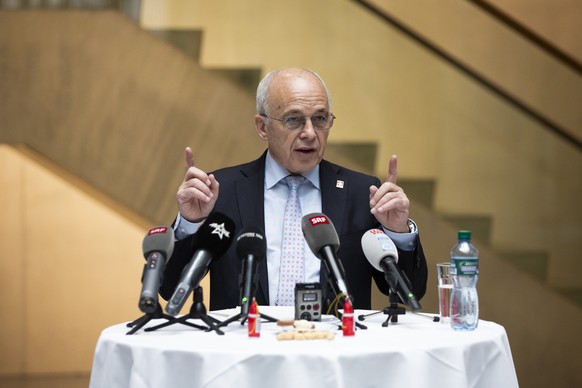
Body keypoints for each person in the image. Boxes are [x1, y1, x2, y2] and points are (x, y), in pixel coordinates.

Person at [160, 68, 428, 311]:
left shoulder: (362, 192)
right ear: (262, 127)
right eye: (294, 120)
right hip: (245, 351)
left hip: (335, 352)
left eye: (320, 118)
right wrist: (190, 224)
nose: (310, 133)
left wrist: (397, 232)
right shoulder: (221, 191)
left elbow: (410, 293)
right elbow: (169, 288)